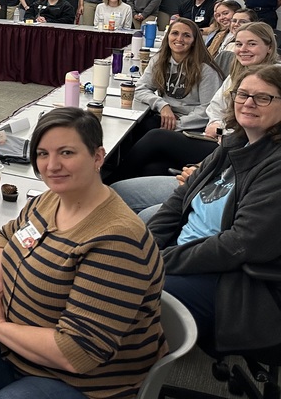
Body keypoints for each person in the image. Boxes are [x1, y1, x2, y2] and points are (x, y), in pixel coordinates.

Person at [0, 108, 165, 399]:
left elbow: (76, 353)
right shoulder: (52, 199)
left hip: (78, 384)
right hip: (18, 355)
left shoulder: (116, 242)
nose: (52, 166)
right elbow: (3, 238)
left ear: (97, 157)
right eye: (42, 154)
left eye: (66, 153)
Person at [147, 65, 281, 352]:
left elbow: (240, 245)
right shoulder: (234, 143)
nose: (248, 103)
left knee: (123, 290)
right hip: (187, 254)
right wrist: (146, 248)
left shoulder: (276, 166)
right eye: (243, 94)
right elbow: (180, 198)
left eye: (263, 98)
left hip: (234, 282)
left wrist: (160, 260)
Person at [112, 23, 278, 212]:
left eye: (251, 44)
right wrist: (216, 123)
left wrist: (220, 129)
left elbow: (255, 126)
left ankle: (109, 182)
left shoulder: (273, 78)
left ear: (269, 47)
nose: (243, 50)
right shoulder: (238, 73)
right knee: (154, 166)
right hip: (219, 139)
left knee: (156, 136)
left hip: (233, 148)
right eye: (239, 44)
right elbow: (215, 108)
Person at [132, 18, 223, 135]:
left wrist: (178, 123)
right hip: (164, 116)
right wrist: (163, 105)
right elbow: (140, 89)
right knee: (133, 129)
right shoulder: (159, 60)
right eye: (175, 33)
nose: (179, 39)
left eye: (186, 35)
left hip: (191, 126)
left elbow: (209, 109)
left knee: (153, 136)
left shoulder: (206, 69)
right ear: (167, 36)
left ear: (194, 41)